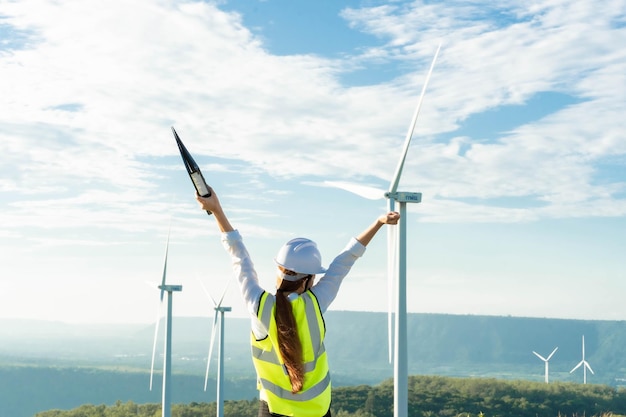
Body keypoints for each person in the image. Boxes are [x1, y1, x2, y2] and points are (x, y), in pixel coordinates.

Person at [196, 188, 400, 417]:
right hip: (317, 410)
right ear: (308, 279)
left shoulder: (259, 306)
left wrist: (216, 210)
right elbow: (344, 262)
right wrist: (379, 222)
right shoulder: (316, 303)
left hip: (274, 410)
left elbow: (239, 257)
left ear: (279, 272)